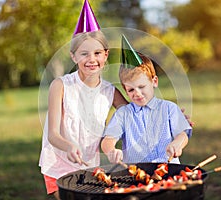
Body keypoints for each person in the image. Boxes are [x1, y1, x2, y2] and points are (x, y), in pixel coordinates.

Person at [38, 1, 127, 199]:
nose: (91, 59)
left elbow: (133, 117)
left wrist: (167, 116)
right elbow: (52, 134)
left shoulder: (110, 91)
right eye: (84, 54)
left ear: (106, 55)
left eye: (97, 53)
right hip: (58, 162)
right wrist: (69, 146)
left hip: (90, 163)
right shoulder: (61, 86)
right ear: (73, 56)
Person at [101, 35, 192, 164]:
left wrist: (178, 143)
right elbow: (108, 139)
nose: (137, 93)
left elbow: (183, 133)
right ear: (124, 89)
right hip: (136, 174)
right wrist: (111, 151)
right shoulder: (123, 114)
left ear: (154, 81)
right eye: (131, 90)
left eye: (141, 86)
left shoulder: (169, 108)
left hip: (167, 170)